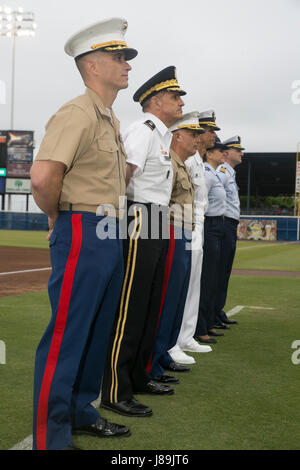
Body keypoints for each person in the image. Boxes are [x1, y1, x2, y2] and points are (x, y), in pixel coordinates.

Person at [30, 18, 137, 450]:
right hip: (84, 226)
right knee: (70, 332)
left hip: (109, 228)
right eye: (118, 57)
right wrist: (58, 216)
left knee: (96, 330)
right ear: (92, 65)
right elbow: (42, 177)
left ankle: (79, 411)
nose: (127, 64)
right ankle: (50, 436)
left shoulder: (108, 116)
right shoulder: (77, 112)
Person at [101, 66, 186, 418]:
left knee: (150, 302)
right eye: (175, 96)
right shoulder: (144, 130)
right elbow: (124, 174)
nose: (181, 101)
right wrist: (117, 217)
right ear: (155, 101)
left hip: (156, 216)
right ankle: (115, 389)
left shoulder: (161, 135)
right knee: (131, 305)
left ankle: (137, 375)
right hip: (139, 215)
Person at [148, 112, 202, 382]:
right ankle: (153, 360)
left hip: (183, 232)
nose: (198, 139)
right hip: (169, 232)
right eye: (193, 134)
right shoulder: (169, 162)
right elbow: (159, 203)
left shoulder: (181, 164)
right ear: (177, 135)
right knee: (166, 299)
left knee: (177, 298)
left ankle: (163, 352)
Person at [168, 110, 220, 364]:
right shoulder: (187, 160)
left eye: (203, 132)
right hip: (184, 224)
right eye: (200, 132)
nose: (204, 136)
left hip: (196, 224)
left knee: (192, 285)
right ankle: (174, 341)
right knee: (181, 285)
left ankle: (186, 336)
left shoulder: (197, 160)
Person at [194, 137, 228, 345]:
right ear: (209, 154)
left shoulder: (214, 173)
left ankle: (206, 323)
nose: (222, 153)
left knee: (213, 277)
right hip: (209, 224)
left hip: (218, 225)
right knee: (206, 278)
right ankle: (201, 327)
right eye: (219, 150)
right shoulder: (206, 173)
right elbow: (201, 201)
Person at [214, 136, 245, 327]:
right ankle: (213, 313)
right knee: (219, 272)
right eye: (238, 150)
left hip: (229, 224)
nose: (242, 153)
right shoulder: (223, 171)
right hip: (224, 224)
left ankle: (217, 311)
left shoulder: (229, 173)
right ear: (227, 152)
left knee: (224, 272)